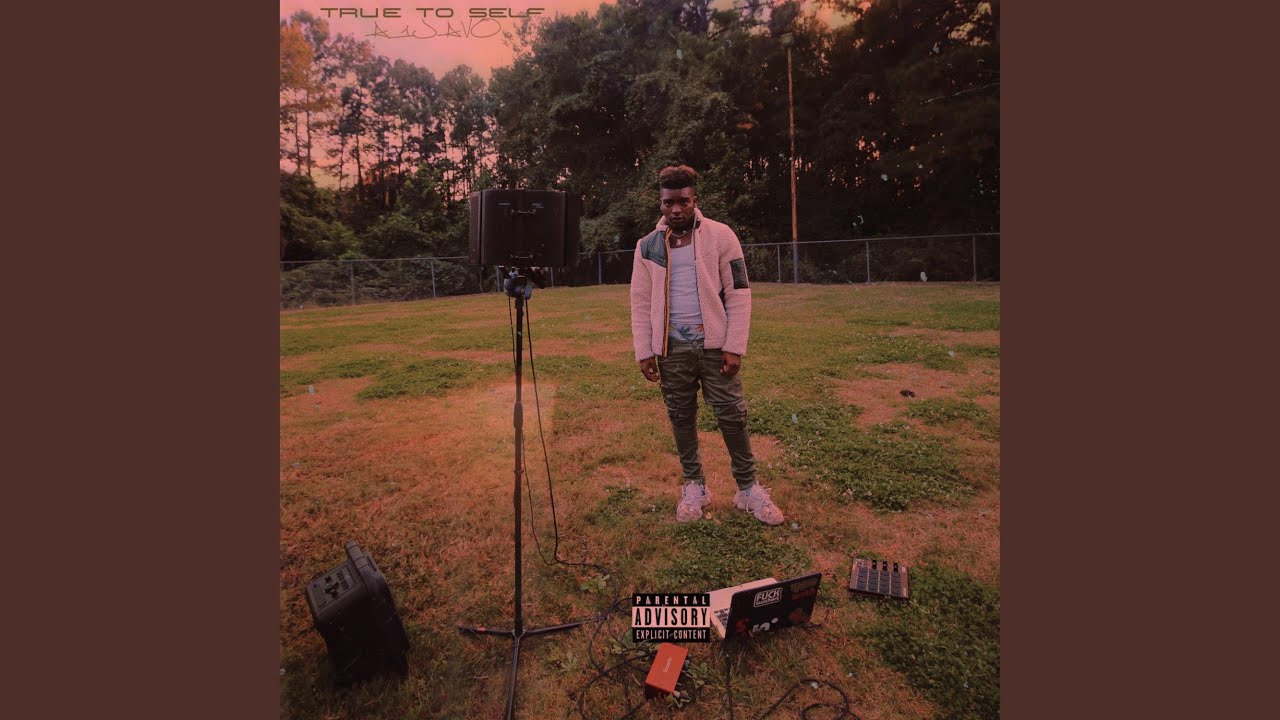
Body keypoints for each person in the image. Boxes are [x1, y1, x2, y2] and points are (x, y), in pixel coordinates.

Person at [629, 165, 784, 526]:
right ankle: (695, 487)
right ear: (660, 203)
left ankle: (748, 489)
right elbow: (640, 301)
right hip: (671, 350)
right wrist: (644, 350)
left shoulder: (720, 235)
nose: (676, 209)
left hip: (715, 347)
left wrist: (734, 345)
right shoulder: (647, 246)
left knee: (732, 414)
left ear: (694, 199)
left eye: (683, 201)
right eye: (669, 202)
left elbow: (739, 292)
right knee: (681, 416)